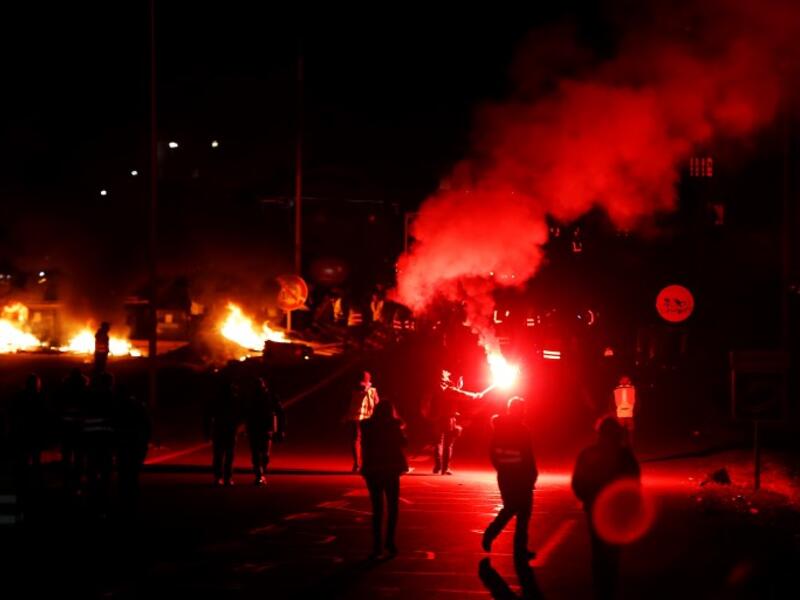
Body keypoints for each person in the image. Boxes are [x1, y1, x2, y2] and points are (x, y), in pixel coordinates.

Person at [572, 415, 641, 600]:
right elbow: (634, 483)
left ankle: (601, 588)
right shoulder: (625, 456)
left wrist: (588, 498)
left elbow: (578, 482)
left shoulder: (589, 454)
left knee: (598, 551)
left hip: (596, 508)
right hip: (615, 511)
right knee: (612, 552)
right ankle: (608, 588)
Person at [482, 396, 538, 560]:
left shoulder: (503, 429)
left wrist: (502, 467)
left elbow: (494, 452)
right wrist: (530, 473)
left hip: (510, 476)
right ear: (517, 411)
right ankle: (492, 534)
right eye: (522, 410)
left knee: (520, 512)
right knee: (516, 510)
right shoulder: (519, 430)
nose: (524, 413)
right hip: (517, 476)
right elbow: (527, 456)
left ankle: (519, 549)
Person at [360, 398, 408, 558]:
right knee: (393, 507)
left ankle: (377, 544)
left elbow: (365, 445)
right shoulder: (394, 425)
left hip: (372, 469)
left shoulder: (366, 425)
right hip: (390, 468)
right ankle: (390, 541)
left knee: (377, 509)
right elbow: (404, 443)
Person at [8, 374, 46, 515]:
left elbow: (12, 414)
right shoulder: (38, 398)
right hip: (32, 435)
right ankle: (33, 489)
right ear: (36, 385)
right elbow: (43, 417)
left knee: (22, 461)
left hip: (21, 434)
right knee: (34, 459)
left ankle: (22, 486)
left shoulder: (19, 397)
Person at [431, 369, 481, 475]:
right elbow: (457, 393)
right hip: (447, 418)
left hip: (439, 418)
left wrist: (458, 386)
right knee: (446, 444)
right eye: (446, 373)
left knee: (439, 443)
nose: (449, 374)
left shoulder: (439, 387)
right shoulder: (445, 388)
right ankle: (444, 468)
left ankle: (439, 466)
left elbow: (454, 393)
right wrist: (473, 395)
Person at [242, 376, 286, 486]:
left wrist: (280, 429)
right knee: (256, 453)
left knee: (265, 454)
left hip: (267, 429)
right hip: (255, 429)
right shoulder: (251, 397)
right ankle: (259, 474)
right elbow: (245, 413)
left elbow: (280, 412)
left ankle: (262, 471)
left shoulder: (271, 397)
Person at [114, 385, 151, 514]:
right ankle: (132, 497)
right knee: (133, 470)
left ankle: (123, 496)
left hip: (124, 441)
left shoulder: (117, 407)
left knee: (124, 469)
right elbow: (146, 424)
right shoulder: (138, 406)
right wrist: (145, 440)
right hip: (135, 441)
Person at [205, 363, 241, 486]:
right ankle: (225, 477)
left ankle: (220, 477)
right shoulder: (231, 398)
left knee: (220, 454)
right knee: (226, 454)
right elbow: (210, 414)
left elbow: (209, 415)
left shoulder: (220, 398)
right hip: (226, 428)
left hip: (223, 428)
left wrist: (207, 431)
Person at [56, 368, 89, 492]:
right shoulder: (85, 392)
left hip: (67, 430)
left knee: (67, 456)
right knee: (79, 456)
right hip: (79, 430)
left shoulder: (64, 392)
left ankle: (67, 481)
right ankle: (77, 481)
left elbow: (58, 410)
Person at [345, 370, 380, 472]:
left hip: (369, 416)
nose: (368, 378)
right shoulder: (357, 387)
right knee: (357, 438)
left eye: (368, 377)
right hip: (358, 416)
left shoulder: (372, 389)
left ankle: (363, 463)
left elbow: (377, 401)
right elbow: (362, 391)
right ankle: (357, 463)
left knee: (366, 440)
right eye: (366, 377)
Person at [613, 376, 636, 443]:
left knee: (630, 430)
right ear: (620, 381)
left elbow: (636, 402)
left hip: (630, 414)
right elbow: (612, 402)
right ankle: (621, 444)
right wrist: (614, 412)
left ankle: (630, 444)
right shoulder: (617, 390)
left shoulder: (632, 389)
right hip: (620, 414)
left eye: (626, 380)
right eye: (623, 380)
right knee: (621, 430)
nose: (624, 381)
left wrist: (634, 411)